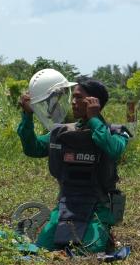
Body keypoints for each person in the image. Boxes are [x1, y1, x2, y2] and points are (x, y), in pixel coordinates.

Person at [17, 70, 129, 253]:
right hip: (65, 206)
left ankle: (104, 234)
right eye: (73, 97)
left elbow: (114, 149)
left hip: (97, 207)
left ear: (95, 102)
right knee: (43, 248)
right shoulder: (63, 133)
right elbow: (33, 148)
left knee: (90, 250)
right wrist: (27, 116)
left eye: (79, 97)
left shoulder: (114, 132)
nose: (73, 102)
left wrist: (94, 119)